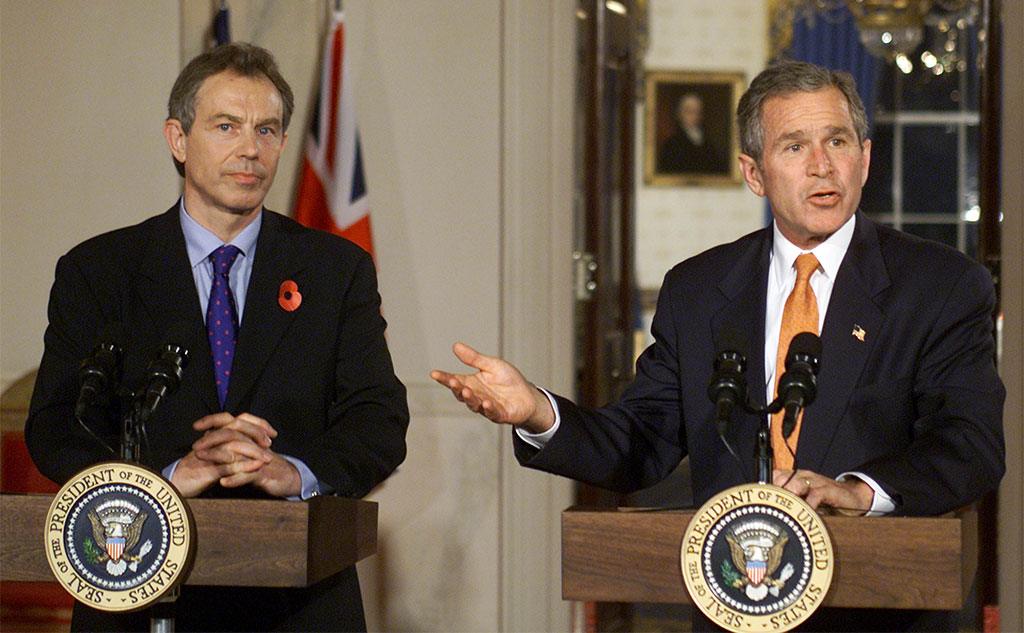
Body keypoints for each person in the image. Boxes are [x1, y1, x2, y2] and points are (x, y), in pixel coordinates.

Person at [433, 60, 1004, 630]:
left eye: (837, 140)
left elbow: (970, 444)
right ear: (754, 173)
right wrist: (538, 411)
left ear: (866, 157)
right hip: (733, 610)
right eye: (794, 147)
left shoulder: (941, 285)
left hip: (882, 611)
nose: (822, 166)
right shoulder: (700, 289)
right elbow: (643, 441)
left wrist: (858, 491)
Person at [25, 43, 409, 632]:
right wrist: (169, 479)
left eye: (267, 130)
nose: (249, 149)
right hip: (134, 586)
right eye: (226, 126)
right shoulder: (101, 270)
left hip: (299, 603)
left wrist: (295, 473)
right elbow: (56, 427)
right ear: (178, 139)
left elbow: (379, 420)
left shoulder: (335, 270)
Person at [657, 92, 729, 174]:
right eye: (689, 111)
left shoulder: (708, 142)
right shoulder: (672, 144)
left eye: (697, 111)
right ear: (679, 114)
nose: (694, 116)